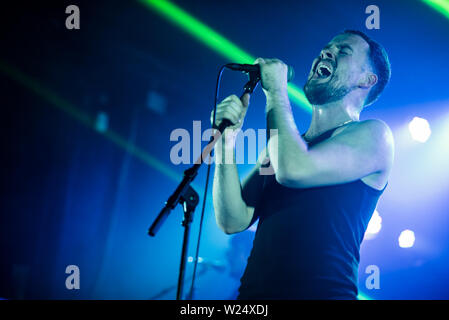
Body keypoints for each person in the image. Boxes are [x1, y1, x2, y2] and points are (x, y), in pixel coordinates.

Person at [211, 29, 394, 300]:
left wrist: (275, 91)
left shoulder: (375, 135)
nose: (326, 52)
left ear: (367, 80)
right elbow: (233, 219)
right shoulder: (283, 147)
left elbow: (293, 170)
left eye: (343, 51)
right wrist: (225, 143)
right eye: (326, 47)